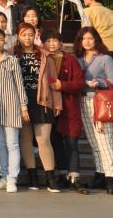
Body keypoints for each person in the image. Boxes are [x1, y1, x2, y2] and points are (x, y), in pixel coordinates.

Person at [13, 22, 59, 191]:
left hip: (42, 101)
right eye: (24, 34)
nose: (27, 38)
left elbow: (53, 81)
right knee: (25, 138)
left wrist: (57, 103)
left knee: (43, 140)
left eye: (31, 34)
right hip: (20, 101)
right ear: (17, 36)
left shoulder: (44, 55)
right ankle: (32, 176)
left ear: (36, 36)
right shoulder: (11, 54)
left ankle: (50, 178)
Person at [43, 28, 87, 192]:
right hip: (49, 107)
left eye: (55, 40)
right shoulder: (41, 59)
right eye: (48, 41)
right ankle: (61, 174)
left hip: (68, 107)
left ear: (60, 43)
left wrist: (62, 85)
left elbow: (80, 83)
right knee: (55, 142)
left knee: (71, 142)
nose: (52, 44)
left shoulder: (70, 59)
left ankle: (74, 177)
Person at [0, 27, 28, 192]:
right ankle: (4, 176)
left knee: (12, 144)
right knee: (0, 144)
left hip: (10, 106)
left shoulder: (11, 60)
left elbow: (19, 84)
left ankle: (12, 179)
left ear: (5, 41)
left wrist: (23, 106)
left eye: (1, 39)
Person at [75, 26, 113, 194]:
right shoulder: (78, 59)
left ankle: (110, 178)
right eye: (84, 38)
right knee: (93, 142)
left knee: (105, 142)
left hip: (100, 101)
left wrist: (99, 82)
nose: (87, 41)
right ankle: (100, 174)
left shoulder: (105, 58)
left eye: (90, 38)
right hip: (82, 100)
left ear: (96, 39)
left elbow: (112, 81)